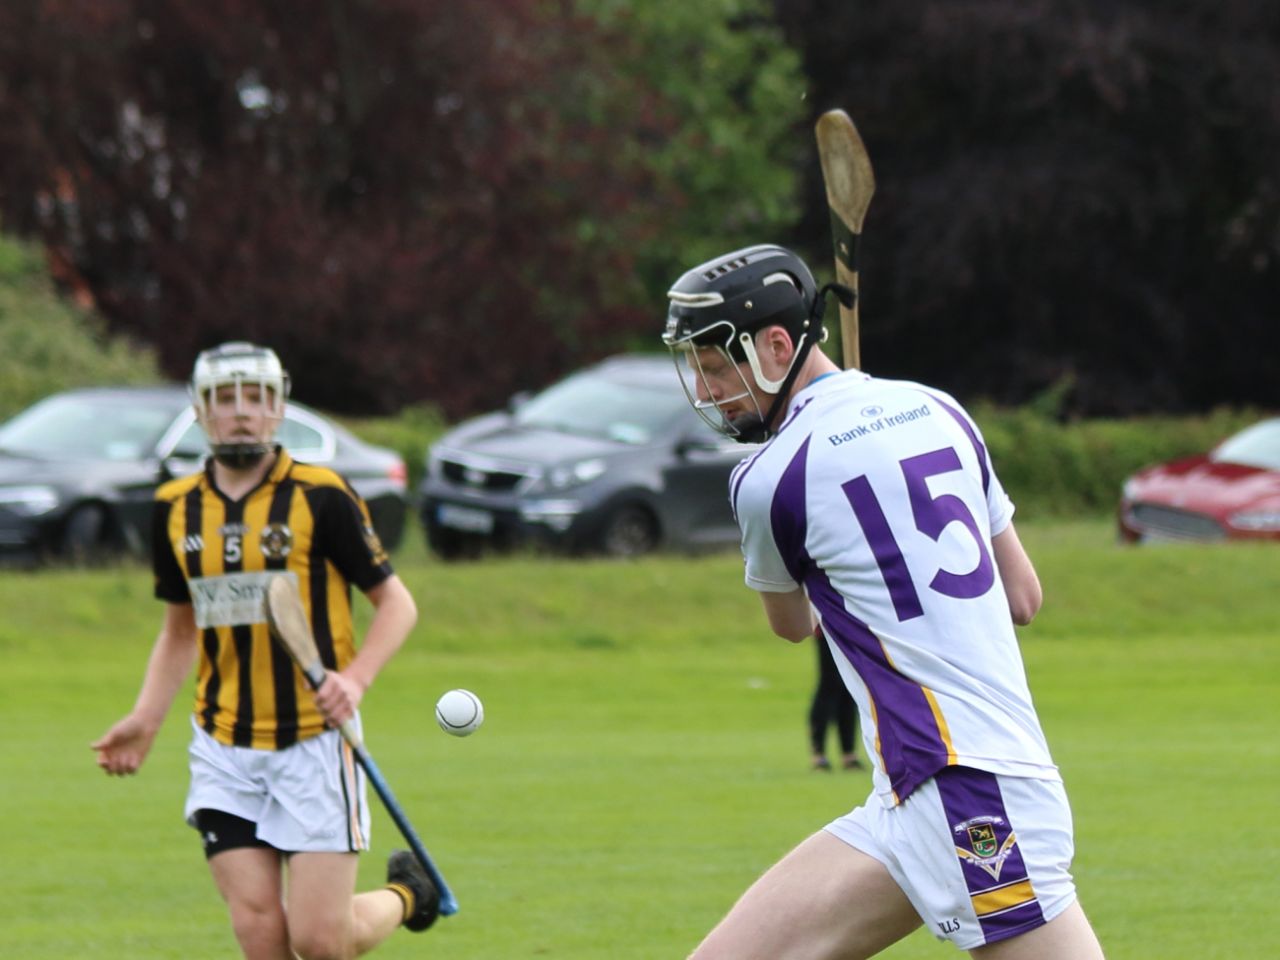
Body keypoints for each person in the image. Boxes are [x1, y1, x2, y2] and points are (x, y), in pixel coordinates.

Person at [662, 245, 1106, 959]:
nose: (707, 389)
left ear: (777, 344)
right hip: (912, 796)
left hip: (967, 789)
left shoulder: (769, 477)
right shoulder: (940, 409)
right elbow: (1024, 597)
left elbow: (792, 626)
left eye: (716, 366)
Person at [92, 342, 439, 960]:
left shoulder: (322, 495)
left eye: (257, 398)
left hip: (314, 742)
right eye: (225, 399)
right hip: (224, 746)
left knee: (320, 943)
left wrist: (354, 681)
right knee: (260, 934)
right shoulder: (175, 508)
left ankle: (410, 893)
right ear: (201, 412)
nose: (242, 413)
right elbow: (180, 629)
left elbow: (397, 605)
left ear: (278, 410)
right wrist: (144, 720)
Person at [809, 627, 861, 771]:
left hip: (849, 626)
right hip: (827, 625)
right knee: (829, 684)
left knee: (848, 687)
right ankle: (819, 754)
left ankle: (849, 753)